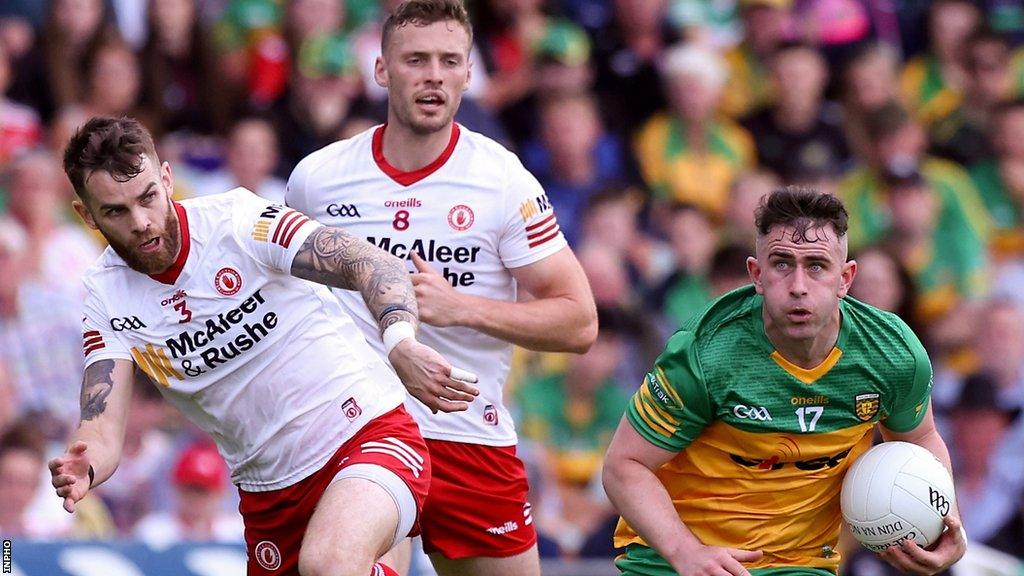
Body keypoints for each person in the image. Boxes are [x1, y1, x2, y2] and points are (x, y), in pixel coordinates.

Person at [48, 116, 481, 576]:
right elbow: (101, 426)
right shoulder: (105, 296)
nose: (141, 222)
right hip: (269, 496)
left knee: (331, 564)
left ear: (168, 178)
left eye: (149, 197)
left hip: (366, 433)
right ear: (86, 214)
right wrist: (85, 464)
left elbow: (370, 263)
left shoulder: (238, 221)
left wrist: (399, 343)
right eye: (116, 211)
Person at [285, 1, 598, 574]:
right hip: (362, 431)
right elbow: (288, 304)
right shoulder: (317, 179)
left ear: (469, 73)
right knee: (335, 564)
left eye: (450, 60)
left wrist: (463, 308)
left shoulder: (502, 179)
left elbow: (579, 322)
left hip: (469, 436)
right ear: (381, 70)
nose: (433, 74)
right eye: (416, 60)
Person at [602, 187, 967, 576]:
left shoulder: (892, 354)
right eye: (781, 264)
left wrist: (946, 518)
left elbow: (920, 440)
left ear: (845, 278)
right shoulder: (706, 352)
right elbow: (624, 465)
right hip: (674, 563)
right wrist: (685, 552)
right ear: (756, 274)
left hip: (800, 564)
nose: (797, 285)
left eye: (816, 266)